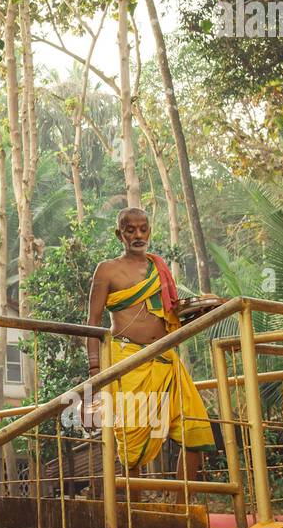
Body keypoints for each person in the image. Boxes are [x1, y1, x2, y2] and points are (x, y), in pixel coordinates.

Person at [86, 208, 215, 501]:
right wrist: (95, 369)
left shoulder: (160, 268)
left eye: (143, 229)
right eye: (130, 230)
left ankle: (180, 507)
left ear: (149, 231)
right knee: (133, 447)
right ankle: (137, 514)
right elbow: (92, 322)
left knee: (196, 431)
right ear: (120, 234)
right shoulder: (107, 270)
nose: (138, 235)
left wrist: (204, 308)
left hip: (167, 359)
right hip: (127, 361)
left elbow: (173, 315)